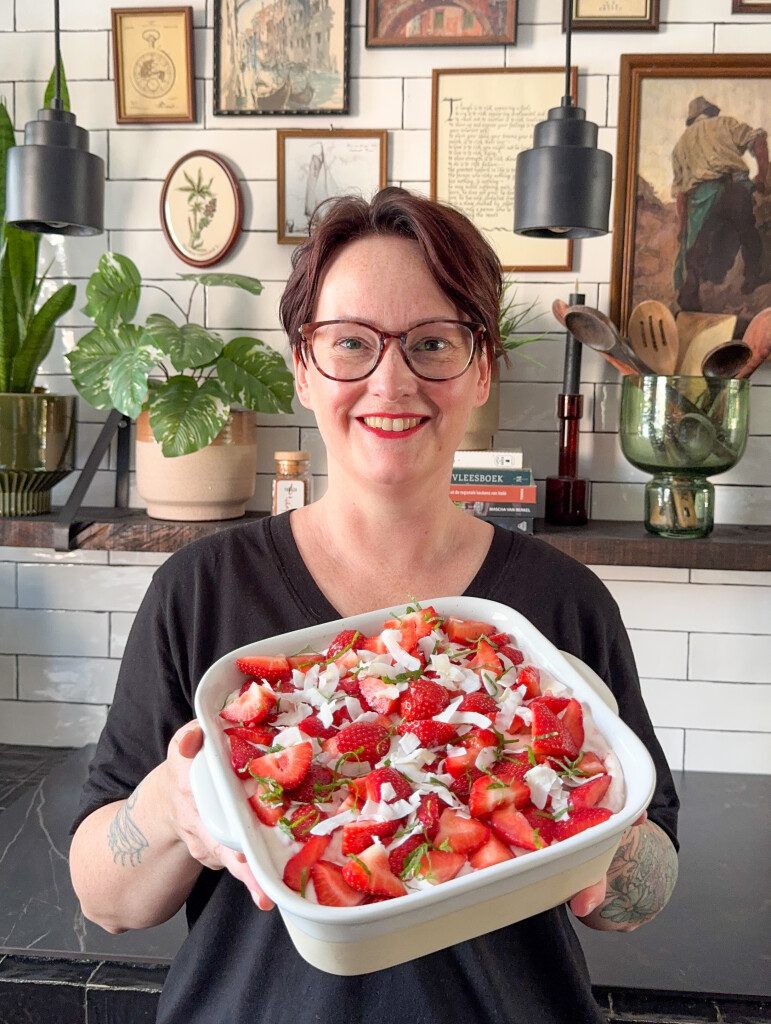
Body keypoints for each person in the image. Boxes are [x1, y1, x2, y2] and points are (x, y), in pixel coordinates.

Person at [69, 187, 679, 1024]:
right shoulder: (200, 589)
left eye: (432, 343)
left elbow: (645, 890)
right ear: (300, 366)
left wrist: (607, 846)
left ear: (480, 369)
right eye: (350, 343)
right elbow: (107, 899)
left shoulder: (557, 604)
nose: (390, 380)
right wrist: (171, 806)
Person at [672, 95, 770, 310]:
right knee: (747, 230)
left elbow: (681, 194)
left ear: (692, 118)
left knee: (699, 245)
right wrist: (762, 176)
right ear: (710, 112)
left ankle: (690, 294)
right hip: (733, 188)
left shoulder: (680, 145)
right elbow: (759, 141)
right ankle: (752, 276)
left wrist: (681, 228)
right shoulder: (725, 123)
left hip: (700, 199)